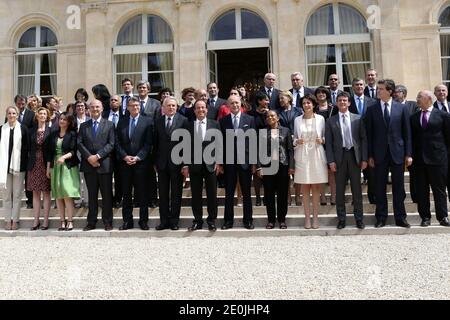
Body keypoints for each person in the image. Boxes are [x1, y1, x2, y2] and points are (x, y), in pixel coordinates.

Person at [365, 79, 412, 228]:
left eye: (381, 89)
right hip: (379, 154)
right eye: (378, 89)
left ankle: (400, 217)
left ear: (390, 91)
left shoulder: (401, 108)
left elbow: (407, 133)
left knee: (399, 187)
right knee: (379, 187)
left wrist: (408, 154)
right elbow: (369, 135)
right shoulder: (372, 109)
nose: (378, 91)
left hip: (397, 152)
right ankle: (381, 217)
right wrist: (370, 155)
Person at [325, 92, 367, 229]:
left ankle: (359, 219)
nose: (342, 103)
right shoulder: (331, 121)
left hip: (354, 157)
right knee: (339, 191)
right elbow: (329, 143)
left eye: (345, 100)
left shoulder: (358, 118)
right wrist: (330, 161)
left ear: (349, 103)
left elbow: (363, 140)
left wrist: (364, 158)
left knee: (357, 190)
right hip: (339, 158)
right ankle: (341, 219)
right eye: (340, 100)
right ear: (337, 103)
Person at [411, 90, 450, 227]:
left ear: (428, 99)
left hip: (438, 159)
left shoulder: (443, 115)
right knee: (422, 191)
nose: (417, 99)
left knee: (439, 190)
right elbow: (412, 139)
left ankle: (442, 216)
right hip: (420, 161)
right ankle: (425, 217)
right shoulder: (414, 117)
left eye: (419, 97)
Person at [182, 100, 221, 231]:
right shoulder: (188, 125)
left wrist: (219, 161)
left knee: (212, 194)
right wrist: (186, 165)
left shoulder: (215, 124)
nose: (200, 110)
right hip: (194, 165)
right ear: (194, 110)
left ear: (207, 109)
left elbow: (220, 144)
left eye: (203, 107)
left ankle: (211, 220)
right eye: (198, 108)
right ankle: (197, 221)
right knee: (196, 195)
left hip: (211, 165)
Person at [115, 97, 153, 230]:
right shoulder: (122, 122)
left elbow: (149, 143)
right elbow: (117, 142)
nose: (135, 107)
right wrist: (125, 157)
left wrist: (138, 157)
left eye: (137, 105)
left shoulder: (147, 122)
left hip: (141, 164)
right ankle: (127, 221)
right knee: (126, 194)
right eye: (132, 105)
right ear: (128, 107)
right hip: (125, 164)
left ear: (140, 106)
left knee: (142, 194)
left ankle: (143, 221)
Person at [78, 99, 115, 231]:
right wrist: (89, 157)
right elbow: (80, 143)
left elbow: (111, 144)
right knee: (92, 196)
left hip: (104, 165)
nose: (95, 109)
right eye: (92, 107)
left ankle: (108, 221)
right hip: (89, 166)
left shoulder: (110, 125)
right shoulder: (83, 126)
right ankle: (91, 222)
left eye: (97, 107)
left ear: (102, 108)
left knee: (106, 195)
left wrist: (97, 156)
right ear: (89, 109)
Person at [220, 95, 256, 229]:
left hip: (245, 162)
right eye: (232, 103)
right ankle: (228, 221)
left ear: (241, 104)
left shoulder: (250, 119)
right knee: (229, 193)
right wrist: (221, 163)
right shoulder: (223, 121)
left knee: (246, 193)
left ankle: (248, 220)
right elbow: (220, 143)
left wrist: (253, 163)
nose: (234, 105)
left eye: (237, 103)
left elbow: (253, 141)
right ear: (228, 106)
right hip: (229, 162)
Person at [293, 94, 328, 229]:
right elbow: (294, 138)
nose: (306, 105)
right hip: (302, 155)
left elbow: (325, 136)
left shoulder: (320, 119)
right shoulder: (297, 120)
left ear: (314, 105)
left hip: (316, 155)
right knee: (305, 189)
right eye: (304, 103)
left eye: (309, 103)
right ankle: (307, 218)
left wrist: (322, 140)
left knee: (316, 188)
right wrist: (297, 141)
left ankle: (316, 219)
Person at [153, 97, 188, 230]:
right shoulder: (158, 122)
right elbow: (155, 143)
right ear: (163, 107)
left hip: (178, 164)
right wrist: (154, 162)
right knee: (162, 194)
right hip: (162, 164)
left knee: (176, 194)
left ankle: (174, 221)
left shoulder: (183, 121)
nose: (171, 108)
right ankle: (164, 221)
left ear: (177, 107)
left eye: (173, 106)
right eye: (168, 106)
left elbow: (186, 144)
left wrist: (185, 164)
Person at [257, 110, 294, 229]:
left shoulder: (286, 130)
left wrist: (291, 166)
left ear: (278, 117)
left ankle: (282, 220)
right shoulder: (263, 132)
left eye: (272, 115)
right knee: (269, 195)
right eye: (268, 116)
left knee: (283, 194)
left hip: (283, 165)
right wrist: (259, 167)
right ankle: (271, 220)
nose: (270, 117)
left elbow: (290, 150)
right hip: (268, 166)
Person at [46, 112, 80, 231]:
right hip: (55, 166)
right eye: (61, 119)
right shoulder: (53, 134)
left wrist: (64, 157)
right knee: (58, 195)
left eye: (65, 119)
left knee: (66, 194)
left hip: (68, 166)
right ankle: (62, 221)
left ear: (69, 122)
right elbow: (50, 152)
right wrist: (48, 168)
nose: (62, 121)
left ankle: (70, 221)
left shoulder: (72, 134)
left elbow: (73, 151)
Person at [0, 106, 29, 230]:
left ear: (17, 115)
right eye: (9, 113)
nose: (11, 115)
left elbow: (27, 148)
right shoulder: (1, 129)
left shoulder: (23, 129)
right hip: (4, 167)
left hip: (19, 167)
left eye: (14, 113)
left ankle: (15, 220)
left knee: (17, 195)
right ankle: (7, 220)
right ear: (6, 115)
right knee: (6, 196)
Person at [349, 77, 377, 204]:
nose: (359, 86)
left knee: (371, 172)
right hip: (353, 140)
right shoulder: (347, 102)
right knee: (354, 173)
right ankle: (356, 199)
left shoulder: (372, 101)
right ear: (352, 87)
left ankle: (372, 197)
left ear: (364, 86)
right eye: (356, 85)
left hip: (369, 140)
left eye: (361, 84)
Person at [137, 80, 161, 208]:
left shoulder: (156, 103)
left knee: (151, 173)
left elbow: (157, 124)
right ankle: (139, 199)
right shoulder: (133, 102)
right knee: (137, 173)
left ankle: (152, 199)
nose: (142, 89)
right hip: (136, 143)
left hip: (150, 142)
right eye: (140, 87)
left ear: (148, 90)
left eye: (144, 87)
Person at [394, 84, 419, 203]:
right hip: (397, 144)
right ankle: (401, 196)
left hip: (411, 143)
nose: (395, 94)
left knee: (413, 172)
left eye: (397, 92)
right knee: (398, 173)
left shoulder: (413, 105)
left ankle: (415, 196)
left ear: (404, 93)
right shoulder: (392, 106)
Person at [27, 107, 52, 230]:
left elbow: (51, 151)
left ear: (47, 116)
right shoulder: (31, 131)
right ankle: (35, 221)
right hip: (33, 164)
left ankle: (46, 221)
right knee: (35, 193)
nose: (42, 115)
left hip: (45, 164)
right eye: (40, 113)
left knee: (46, 193)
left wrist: (49, 167)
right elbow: (27, 148)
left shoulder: (51, 131)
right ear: (36, 116)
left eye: (44, 114)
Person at [277, 90, 302, 206]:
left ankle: (297, 196)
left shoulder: (298, 110)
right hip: (283, 145)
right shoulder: (278, 112)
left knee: (297, 171)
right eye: (280, 99)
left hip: (297, 143)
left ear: (289, 98)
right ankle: (288, 196)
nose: (281, 100)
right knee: (286, 171)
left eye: (283, 98)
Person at [315, 86, 337, 206]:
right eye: (319, 93)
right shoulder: (314, 109)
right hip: (317, 145)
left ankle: (333, 197)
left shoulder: (334, 108)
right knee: (320, 172)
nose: (321, 94)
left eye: (323, 92)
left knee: (331, 173)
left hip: (331, 143)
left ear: (327, 95)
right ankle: (322, 197)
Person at [248, 91, 269, 206]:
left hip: (267, 145)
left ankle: (266, 196)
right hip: (254, 144)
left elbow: (273, 126)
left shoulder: (269, 113)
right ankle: (257, 197)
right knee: (256, 172)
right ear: (259, 101)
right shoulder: (251, 114)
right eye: (265, 99)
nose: (267, 102)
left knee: (266, 172)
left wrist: (266, 115)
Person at [14, 94, 35, 209]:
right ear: (15, 103)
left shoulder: (31, 115)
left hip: (27, 150)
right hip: (15, 151)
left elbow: (33, 131)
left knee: (28, 176)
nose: (21, 105)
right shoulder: (11, 115)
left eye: (23, 103)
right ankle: (15, 199)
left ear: (26, 103)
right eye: (18, 103)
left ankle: (30, 200)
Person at [104, 95, 123, 208]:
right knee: (106, 177)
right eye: (111, 100)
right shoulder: (104, 115)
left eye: (116, 100)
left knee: (119, 177)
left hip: (120, 152)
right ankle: (109, 199)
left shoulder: (125, 115)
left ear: (120, 103)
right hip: (106, 152)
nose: (113, 102)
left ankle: (118, 199)